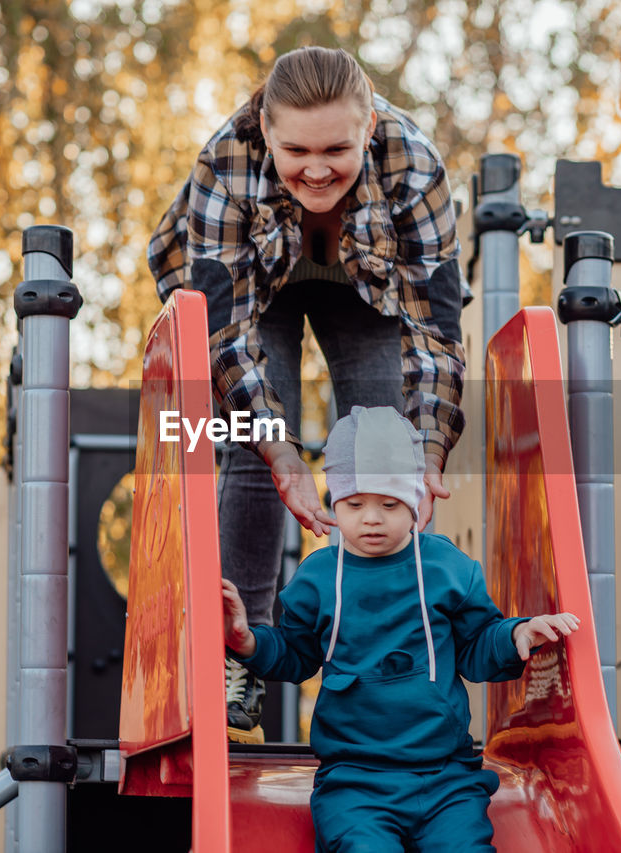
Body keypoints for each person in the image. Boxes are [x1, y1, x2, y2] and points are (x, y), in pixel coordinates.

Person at [150, 46, 468, 741]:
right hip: (248, 292)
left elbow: (436, 329)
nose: (317, 168)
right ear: (266, 129)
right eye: (296, 149)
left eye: (337, 148)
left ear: (369, 129)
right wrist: (280, 451)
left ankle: (397, 654)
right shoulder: (226, 164)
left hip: (366, 288)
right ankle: (241, 656)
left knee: (392, 443)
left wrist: (431, 444)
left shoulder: (415, 169)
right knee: (258, 448)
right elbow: (227, 334)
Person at [221, 406, 580, 852]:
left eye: (389, 504)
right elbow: (296, 652)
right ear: (336, 501)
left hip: (444, 777)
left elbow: (475, 646)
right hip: (355, 781)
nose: (371, 518)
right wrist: (247, 640)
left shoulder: (447, 568)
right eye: (354, 504)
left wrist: (515, 635)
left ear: (414, 500)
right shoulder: (318, 577)